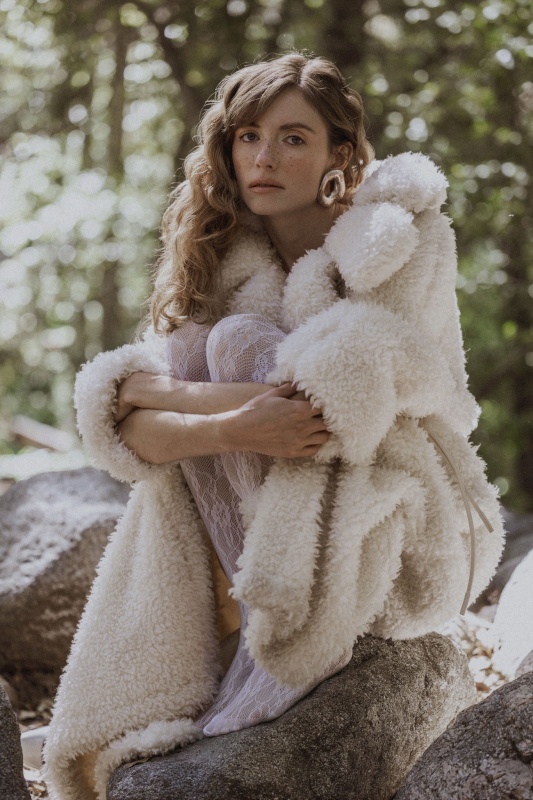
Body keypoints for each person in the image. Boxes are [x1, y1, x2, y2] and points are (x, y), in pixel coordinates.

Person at [42, 53, 504, 800]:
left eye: (293, 138)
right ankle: (256, 641)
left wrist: (187, 402)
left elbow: (338, 401)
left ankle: (293, 640)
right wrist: (239, 425)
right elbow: (134, 435)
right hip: (273, 538)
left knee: (227, 345)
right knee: (197, 347)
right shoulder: (224, 258)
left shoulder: (396, 239)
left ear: (339, 156)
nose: (264, 158)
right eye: (248, 136)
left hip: (394, 529)